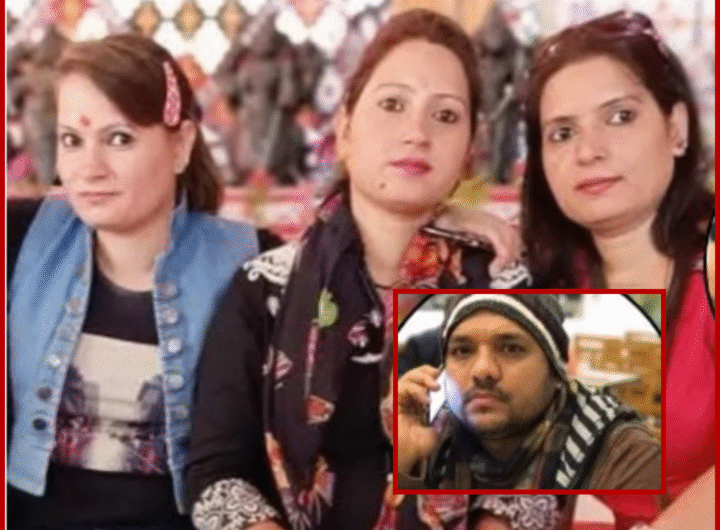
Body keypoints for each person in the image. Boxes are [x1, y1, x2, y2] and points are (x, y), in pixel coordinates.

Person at [185, 10, 568, 530]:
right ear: (344, 128)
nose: (417, 132)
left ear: (469, 151)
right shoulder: (265, 290)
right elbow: (218, 476)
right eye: (392, 104)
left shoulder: (507, 284)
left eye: (445, 115)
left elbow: (539, 473)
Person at [5, 34, 260, 530]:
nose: (89, 168)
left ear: (180, 145)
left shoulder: (252, 263)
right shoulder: (20, 241)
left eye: (119, 138)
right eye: (72, 140)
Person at [521, 10, 714, 529]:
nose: (589, 151)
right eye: (562, 133)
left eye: (620, 116)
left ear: (676, 128)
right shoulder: (554, 286)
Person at [397, 293, 660, 490]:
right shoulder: (435, 438)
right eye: (463, 351)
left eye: (511, 349)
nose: (482, 370)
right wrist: (402, 462)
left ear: (556, 373)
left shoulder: (624, 458)